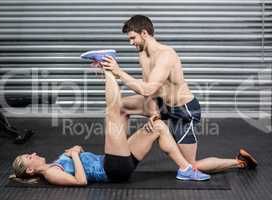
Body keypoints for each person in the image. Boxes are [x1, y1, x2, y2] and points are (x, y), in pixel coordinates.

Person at [101, 15, 258, 173]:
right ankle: (121, 153)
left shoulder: (166, 55)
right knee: (119, 106)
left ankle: (240, 162)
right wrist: (154, 114)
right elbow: (152, 90)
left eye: (133, 38)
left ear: (144, 33)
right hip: (162, 104)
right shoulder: (143, 54)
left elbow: (147, 88)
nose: (131, 42)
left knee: (192, 166)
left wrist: (119, 72)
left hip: (183, 110)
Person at [10, 70, 211, 186]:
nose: (33, 153)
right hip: (112, 169)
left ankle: (185, 168)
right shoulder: (50, 174)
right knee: (112, 112)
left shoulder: (53, 166)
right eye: (30, 156)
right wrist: (74, 155)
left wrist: (76, 152)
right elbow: (81, 181)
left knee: (157, 126)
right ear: (30, 169)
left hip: (116, 163)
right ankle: (107, 67)